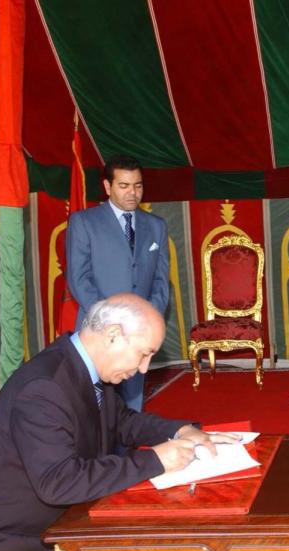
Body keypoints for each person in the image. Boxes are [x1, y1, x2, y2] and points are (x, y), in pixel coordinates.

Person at [0, 294, 239, 551]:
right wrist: (156, 461)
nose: (143, 368)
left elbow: (122, 422)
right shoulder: (43, 388)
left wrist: (180, 430)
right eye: (144, 353)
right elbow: (58, 482)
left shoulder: (85, 370)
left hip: (60, 531)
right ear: (113, 334)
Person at [66, 154, 170, 412]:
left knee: (131, 408)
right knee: (93, 408)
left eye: (138, 185)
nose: (132, 193)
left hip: (138, 335)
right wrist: (111, 319)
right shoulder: (83, 222)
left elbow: (161, 281)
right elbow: (78, 278)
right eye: (124, 186)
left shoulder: (156, 226)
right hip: (99, 331)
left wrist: (146, 319)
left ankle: (127, 452)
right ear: (107, 186)